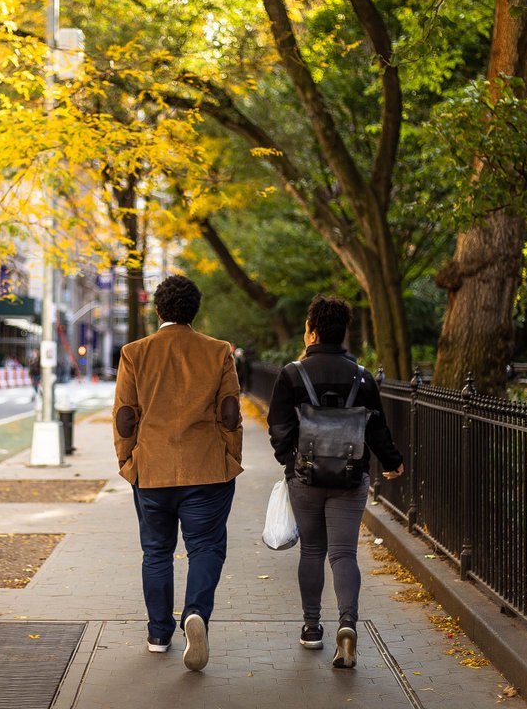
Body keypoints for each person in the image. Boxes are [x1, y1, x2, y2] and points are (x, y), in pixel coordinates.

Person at [266, 294, 405, 669]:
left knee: (311, 551)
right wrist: (393, 462)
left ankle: (312, 629)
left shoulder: (292, 374)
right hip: (350, 476)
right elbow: (377, 428)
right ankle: (348, 624)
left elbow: (278, 428)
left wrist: (289, 461)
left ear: (311, 332)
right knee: (343, 553)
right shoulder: (361, 377)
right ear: (344, 334)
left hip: (306, 478)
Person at [112, 274, 243, 672]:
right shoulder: (218, 351)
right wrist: (229, 458)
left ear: (157, 310)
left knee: (156, 552)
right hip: (207, 470)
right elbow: (230, 413)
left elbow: (125, 417)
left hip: (151, 470)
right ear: (195, 311)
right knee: (206, 548)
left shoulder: (135, 352)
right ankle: (196, 613)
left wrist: (127, 463)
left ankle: (157, 633)